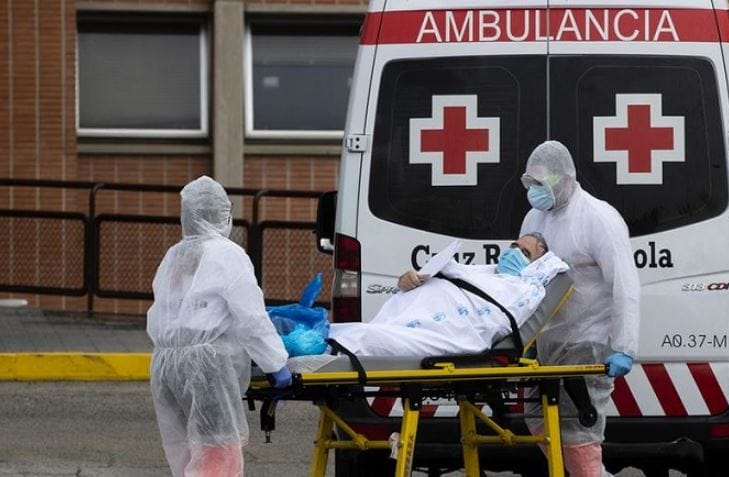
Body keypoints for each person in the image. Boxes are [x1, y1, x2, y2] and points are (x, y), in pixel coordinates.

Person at [147, 176, 292, 477]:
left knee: (186, 452)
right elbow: (251, 318)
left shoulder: (174, 255)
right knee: (218, 452)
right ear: (222, 214)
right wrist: (275, 363)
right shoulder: (227, 254)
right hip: (206, 368)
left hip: (165, 366)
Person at [519, 141, 640, 477]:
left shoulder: (598, 218)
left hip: (587, 340)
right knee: (536, 420)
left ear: (564, 178)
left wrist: (624, 347)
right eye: (531, 182)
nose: (535, 190)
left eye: (542, 182)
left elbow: (625, 286)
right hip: (545, 343)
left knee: (577, 432)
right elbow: (524, 280)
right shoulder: (534, 219)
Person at [328, 233, 566, 356]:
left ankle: (333, 343)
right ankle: (332, 342)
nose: (514, 252)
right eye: (514, 246)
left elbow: (491, 319)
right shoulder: (483, 272)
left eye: (525, 253)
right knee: (369, 332)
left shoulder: (523, 291)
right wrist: (407, 280)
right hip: (413, 314)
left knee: (366, 337)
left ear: (534, 266)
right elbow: (445, 280)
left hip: (451, 329)